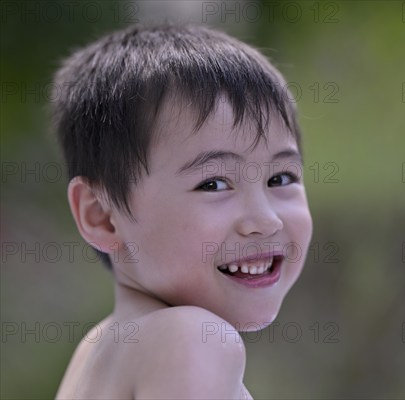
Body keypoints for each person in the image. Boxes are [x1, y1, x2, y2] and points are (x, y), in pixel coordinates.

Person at [52, 23, 313, 399]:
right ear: (102, 215)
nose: (266, 220)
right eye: (214, 184)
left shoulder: (98, 349)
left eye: (281, 177)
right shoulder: (193, 340)